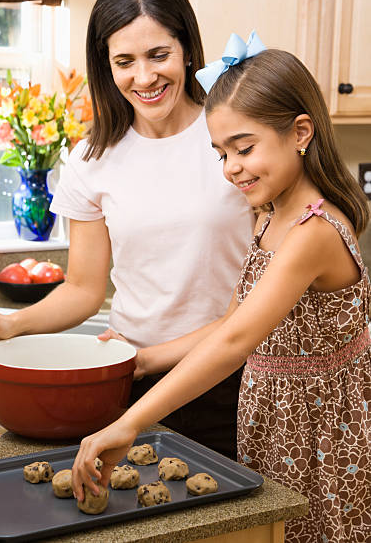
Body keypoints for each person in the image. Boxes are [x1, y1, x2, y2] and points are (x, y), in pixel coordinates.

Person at [71, 34, 371, 543]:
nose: (231, 168)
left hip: (319, 432)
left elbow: (235, 345)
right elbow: (231, 320)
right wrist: (141, 359)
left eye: (244, 148)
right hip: (271, 419)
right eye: (221, 154)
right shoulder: (269, 213)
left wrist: (129, 425)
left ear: (301, 132)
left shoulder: (313, 232)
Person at [0, 0, 254, 460]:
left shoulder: (233, 137)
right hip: (129, 381)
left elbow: (259, 294)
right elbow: (83, 288)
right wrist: (11, 325)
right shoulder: (92, 158)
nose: (144, 77)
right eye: (124, 61)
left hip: (231, 381)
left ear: (186, 50)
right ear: (106, 66)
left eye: (159, 55)